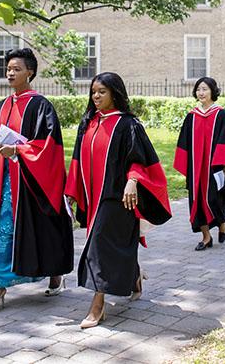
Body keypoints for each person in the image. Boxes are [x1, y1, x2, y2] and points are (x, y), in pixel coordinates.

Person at [64, 72, 172, 329]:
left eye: (102, 91)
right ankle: (133, 275)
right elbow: (77, 158)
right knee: (105, 243)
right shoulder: (89, 122)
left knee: (97, 245)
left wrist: (133, 180)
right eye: (93, 92)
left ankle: (97, 304)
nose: (96, 96)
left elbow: (140, 158)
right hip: (93, 195)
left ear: (115, 93)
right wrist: (71, 190)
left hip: (118, 196)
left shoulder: (128, 125)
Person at [0, 48, 73, 316]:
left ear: (30, 72)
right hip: (7, 182)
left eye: (16, 69)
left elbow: (49, 146)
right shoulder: (3, 106)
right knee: (5, 231)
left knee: (44, 229)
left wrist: (18, 151)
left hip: (32, 181)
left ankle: (55, 274)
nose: (10, 73)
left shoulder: (41, 105)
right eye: (8, 69)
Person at [174, 77, 225, 251]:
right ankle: (206, 237)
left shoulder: (222, 115)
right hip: (196, 168)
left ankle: (222, 222)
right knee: (196, 201)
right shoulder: (191, 116)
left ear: (213, 91)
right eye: (198, 89)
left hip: (215, 167)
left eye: (205, 89)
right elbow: (184, 142)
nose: (201, 93)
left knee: (216, 199)